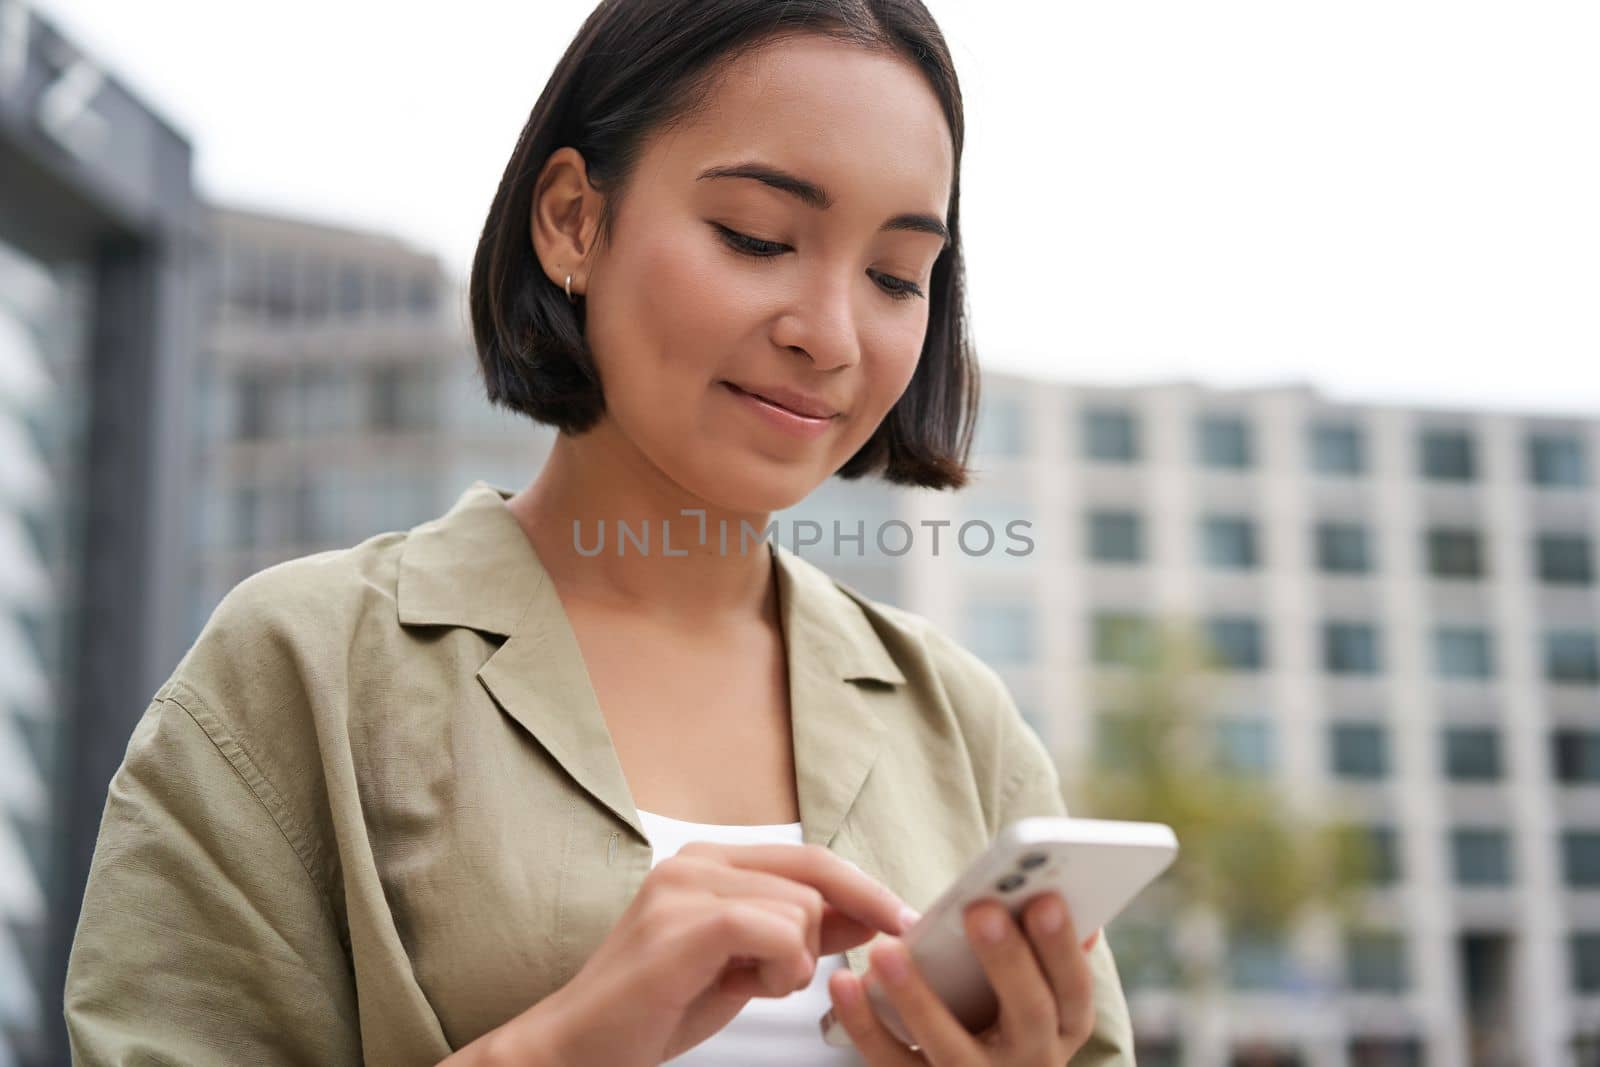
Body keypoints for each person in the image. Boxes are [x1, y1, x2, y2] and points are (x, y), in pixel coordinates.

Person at [63, 1, 1139, 1064]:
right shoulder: (307, 668)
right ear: (574, 218)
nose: (830, 334)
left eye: (897, 275)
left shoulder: (964, 727)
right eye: (756, 237)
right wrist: (563, 1044)